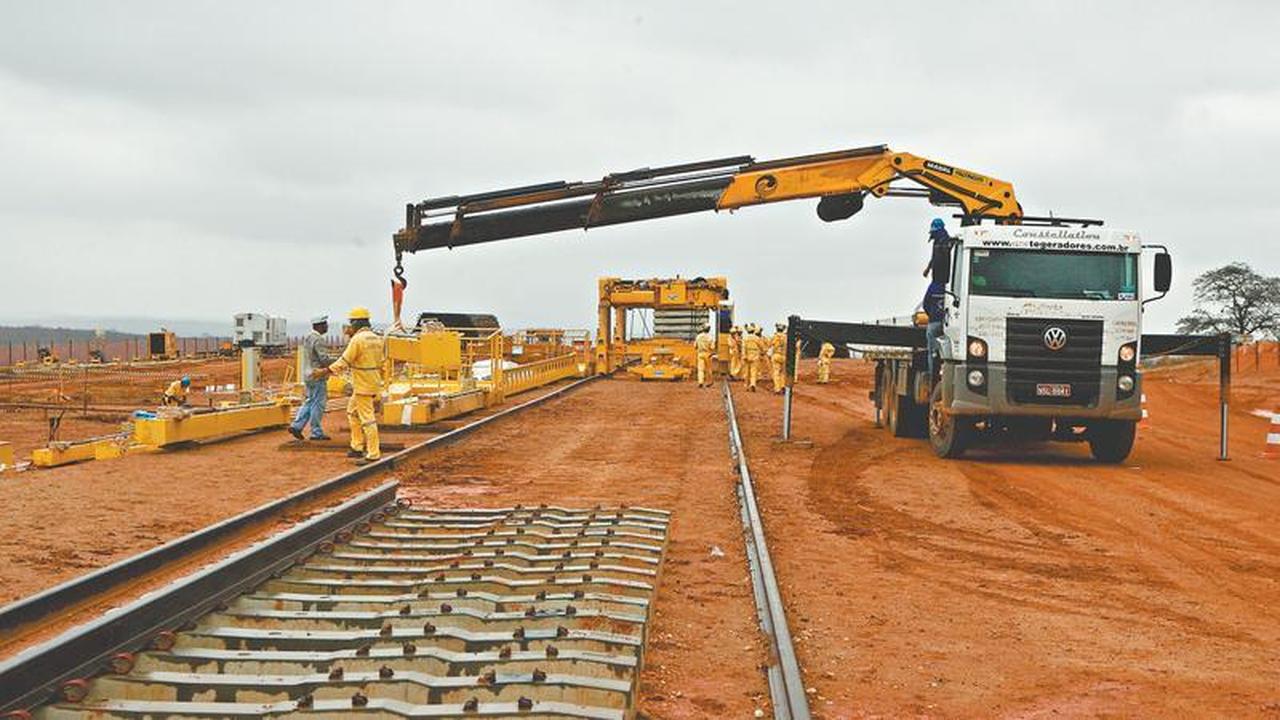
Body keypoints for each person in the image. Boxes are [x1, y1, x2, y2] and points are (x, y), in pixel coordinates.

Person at [316, 307, 385, 465]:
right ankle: (357, 446)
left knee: (367, 419)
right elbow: (382, 362)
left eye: (351, 323)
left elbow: (345, 361)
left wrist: (325, 371)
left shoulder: (358, 339)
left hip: (363, 385)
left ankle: (373, 453)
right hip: (372, 381)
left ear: (356, 323)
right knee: (352, 412)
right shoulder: (377, 338)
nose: (349, 326)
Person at [289, 315, 332, 441]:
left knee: (309, 401)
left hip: (308, 375)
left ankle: (297, 426)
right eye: (325, 324)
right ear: (319, 326)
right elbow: (324, 359)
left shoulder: (308, 338)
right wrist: (340, 362)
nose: (327, 326)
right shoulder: (318, 339)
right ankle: (316, 432)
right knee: (318, 404)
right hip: (317, 375)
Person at [922, 280, 948, 378]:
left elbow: (925, 304)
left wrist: (932, 315)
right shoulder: (953, 285)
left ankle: (933, 375)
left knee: (932, 352)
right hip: (951, 322)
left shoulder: (934, 286)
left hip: (934, 322)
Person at [923, 217, 956, 284]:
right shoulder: (938, 242)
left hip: (941, 279)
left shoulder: (944, 241)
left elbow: (941, 258)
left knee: (930, 293)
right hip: (936, 277)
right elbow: (934, 257)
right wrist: (928, 268)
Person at [742, 324, 763, 391]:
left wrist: (744, 355)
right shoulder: (757, 338)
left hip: (747, 354)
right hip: (755, 355)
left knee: (747, 372)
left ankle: (746, 385)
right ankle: (753, 384)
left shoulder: (745, 338)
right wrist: (763, 351)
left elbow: (743, 347)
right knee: (753, 371)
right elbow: (761, 346)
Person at [768, 322, 788, 393]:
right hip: (784, 355)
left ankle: (777, 388)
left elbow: (769, 344)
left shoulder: (775, 336)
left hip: (776, 355)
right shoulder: (786, 337)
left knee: (776, 372)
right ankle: (782, 386)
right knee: (783, 372)